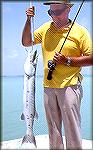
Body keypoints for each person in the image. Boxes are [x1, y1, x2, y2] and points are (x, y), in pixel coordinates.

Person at [22, 0, 92, 149]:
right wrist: (28, 20)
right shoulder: (45, 29)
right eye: (50, 12)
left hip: (70, 86)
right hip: (48, 87)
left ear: (68, 9)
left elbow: (91, 58)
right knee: (53, 131)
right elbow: (26, 42)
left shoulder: (80, 32)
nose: (53, 16)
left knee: (72, 130)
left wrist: (67, 60)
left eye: (57, 12)